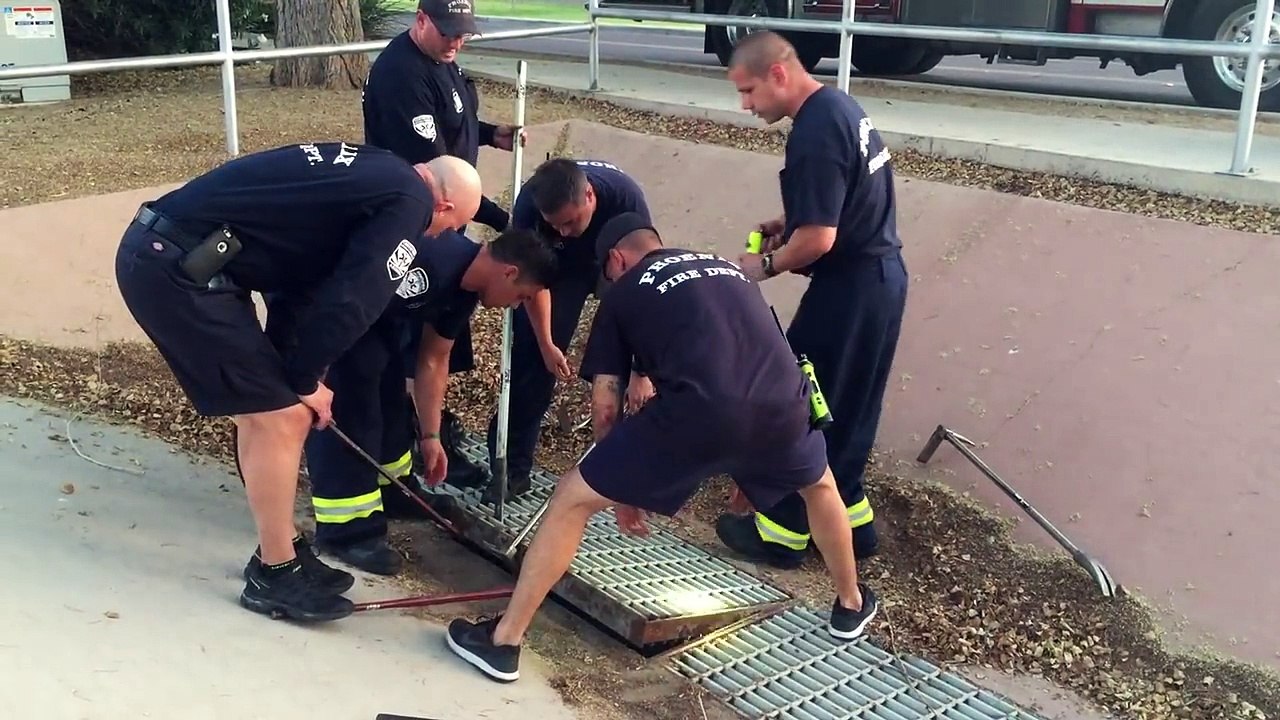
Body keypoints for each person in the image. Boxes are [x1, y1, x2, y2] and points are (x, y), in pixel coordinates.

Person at [445, 214, 880, 683]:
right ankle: (850, 603)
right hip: (784, 403)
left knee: (571, 499)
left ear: (616, 260)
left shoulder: (624, 293)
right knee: (821, 486)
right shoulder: (727, 268)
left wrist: (620, 485)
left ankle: (504, 641)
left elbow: (606, 403)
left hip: (699, 411)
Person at [114, 142, 481, 623]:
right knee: (281, 417)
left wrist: (301, 370)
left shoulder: (380, 173)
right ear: (444, 205)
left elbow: (305, 285)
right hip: (178, 269)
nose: (441, 236)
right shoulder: (410, 202)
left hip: (178, 256)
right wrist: (305, 380)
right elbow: (358, 294)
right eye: (450, 227)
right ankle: (275, 573)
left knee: (271, 409)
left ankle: (281, 547)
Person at [718, 31, 907, 570]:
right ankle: (852, 523)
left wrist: (763, 267)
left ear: (778, 74)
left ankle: (781, 532)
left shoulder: (814, 133)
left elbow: (820, 240)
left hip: (848, 289)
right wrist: (793, 219)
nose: (746, 105)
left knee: (796, 401)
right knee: (850, 407)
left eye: (749, 91)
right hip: (883, 281)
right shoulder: (840, 108)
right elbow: (842, 200)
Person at [288, 228, 558, 575]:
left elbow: (433, 358)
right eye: (521, 296)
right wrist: (314, 371)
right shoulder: (434, 260)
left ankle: (392, 489)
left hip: (380, 331)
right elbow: (348, 297)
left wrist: (431, 437)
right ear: (509, 272)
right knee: (354, 414)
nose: (514, 305)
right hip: (341, 323)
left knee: (390, 403)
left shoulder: (465, 292)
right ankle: (346, 529)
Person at [361, 0, 526, 490]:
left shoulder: (442, 61)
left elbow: (456, 118)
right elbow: (438, 179)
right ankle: (414, 434)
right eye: (448, 32)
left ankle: (433, 428)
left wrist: (492, 134)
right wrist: (500, 219)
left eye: (464, 33)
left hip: (449, 221)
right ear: (421, 20)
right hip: (420, 224)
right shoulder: (401, 76)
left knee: (444, 338)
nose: (457, 41)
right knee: (417, 337)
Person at [481, 157, 653, 504]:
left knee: (620, 352)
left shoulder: (626, 201)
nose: (562, 231)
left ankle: (622, 465)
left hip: (609, 265)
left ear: (589, 196)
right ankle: (511, 469)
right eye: (555, 225)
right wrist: (547, 344)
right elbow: (533, 281)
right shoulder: (530, 206)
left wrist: (641, 368)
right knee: (532, 359)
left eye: (570, 222)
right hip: (558, 269)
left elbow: (641, 288)